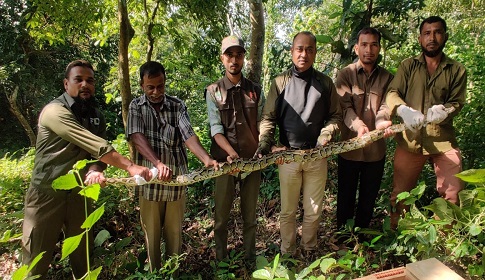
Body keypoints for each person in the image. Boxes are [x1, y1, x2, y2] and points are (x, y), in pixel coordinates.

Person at [22, 59, 152, 279]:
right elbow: (97, 145)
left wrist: (96, 169)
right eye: (78, 79)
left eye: (90, 80)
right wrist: (130, 166)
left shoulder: (96, 117)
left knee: (83, 261)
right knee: (35, 263)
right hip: (46, 197)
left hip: (79, 196)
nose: (85, 84)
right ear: (66, 84)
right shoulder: (55, 111)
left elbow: (97, 156)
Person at [126, 61, 219, 271]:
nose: (156, 92)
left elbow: (188, 134)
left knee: (174, 237)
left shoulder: (177, 105)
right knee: (152, 237)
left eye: (160, 86)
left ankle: (172, 273)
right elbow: (136, 137)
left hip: (176, 185)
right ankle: (155, 274)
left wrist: (206, 158)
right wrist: (157, 163)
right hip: (150, 186)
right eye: (150, 87)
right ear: (142, 85)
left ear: (165, 82)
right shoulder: (136, 107)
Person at [257, 31, 342, 257]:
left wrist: (326, 135)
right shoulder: (279, 82)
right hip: (288, 156)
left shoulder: (324, 83)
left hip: (316, 156)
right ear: (292, 51)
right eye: (299, 49)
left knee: (313, 210)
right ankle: (287, 253)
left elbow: (335, 115)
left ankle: (309, 249)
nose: (304, 54)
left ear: (315, 52)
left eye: (309, 50)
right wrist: (267, 144)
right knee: (288, 211)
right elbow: (268, 118)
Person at [385, 16, 467, 228]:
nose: (432, 37)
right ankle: (397, 239)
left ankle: (443, 243)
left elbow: (457, 102)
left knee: (452, 193)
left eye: (437, 32)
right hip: (410, 141)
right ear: (420, 38)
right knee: (399, 197)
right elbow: (393, 92)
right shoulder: (408, 66)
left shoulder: (456, 70)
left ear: (445, 36)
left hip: (442, 141)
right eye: (427, 33)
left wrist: (445, 110)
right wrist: (403, 110)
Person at [205, 35, 264, 262]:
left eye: (239, 55)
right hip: (224, 163)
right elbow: (216, 129)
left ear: (243, 58)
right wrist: (231, 154)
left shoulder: (255, 90)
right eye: (229, 55)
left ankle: (250, 260)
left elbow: (261, 124)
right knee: (221, 218)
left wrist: (267, 146)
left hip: (252, 162)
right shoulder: (213, 91)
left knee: (250, 217)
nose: (234, 60)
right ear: (222, 58)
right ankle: (221, 262)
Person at [335, 27, 394, 232]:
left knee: (369, 196)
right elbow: (344, 107)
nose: (369, 50)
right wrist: (359, 126)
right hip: (350, 148)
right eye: (365, 45)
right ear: (356, 47)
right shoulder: (346, 74)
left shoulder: (388, 78)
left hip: (376, 151)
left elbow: (387, 105)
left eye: (374, 45)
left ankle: (362, 236)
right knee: (346, 196)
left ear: (379, 48)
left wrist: (381, 122)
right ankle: (344, 236)